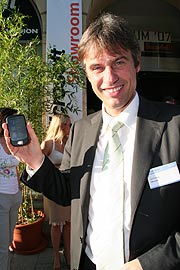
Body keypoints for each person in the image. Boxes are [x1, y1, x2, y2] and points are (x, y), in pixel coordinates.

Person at [3, 13, 180, 270]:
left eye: (118, 62)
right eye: (97, 67)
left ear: (137, 63)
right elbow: (67, 191)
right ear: (87, 73)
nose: (109, 78)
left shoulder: (174, 125)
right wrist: (34, 159)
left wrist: (145, 265)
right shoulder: (81, 130)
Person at [41, 113, 71, 270]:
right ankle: (56, 258)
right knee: (55, 225)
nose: (70, 128)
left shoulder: (70, 143)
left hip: (67, 186)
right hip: (53, 187)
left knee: (68, 224)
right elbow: (39, 165)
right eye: (68, 125)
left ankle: (68, 253)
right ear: (61, 125)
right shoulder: (48, 144)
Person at [0, 108, 22, 270]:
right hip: (1, 197)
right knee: (2, 246)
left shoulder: (14, 141)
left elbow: (16, 167)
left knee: (7, 242)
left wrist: (19, 187)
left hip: (15, 195)